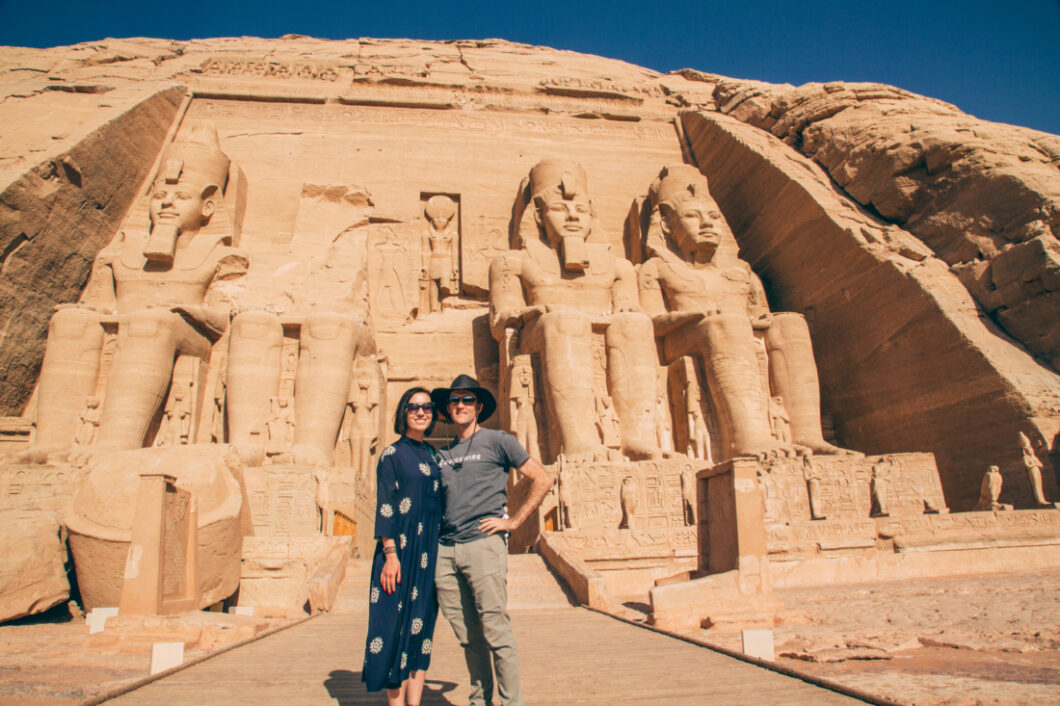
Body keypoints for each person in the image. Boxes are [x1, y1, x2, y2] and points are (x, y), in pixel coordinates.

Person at [429, 374, 553, 706]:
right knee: (469, 638)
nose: (459, 405)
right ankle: (479, 701)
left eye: (466, 399)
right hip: (446, 550)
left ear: (479, 406)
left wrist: (513, 521)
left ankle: (511, 703)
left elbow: (542, 478)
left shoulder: (498, 441)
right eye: (454, 401)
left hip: (483, 545)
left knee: (496, 631)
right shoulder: (442, 455)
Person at [362, 387, 442, 706]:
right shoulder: (391, 455)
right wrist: (390, 554)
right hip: (399, 550)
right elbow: (386, 505)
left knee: (421, 630)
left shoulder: (433, 456)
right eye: (413, 407)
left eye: (426, 407)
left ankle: (414, 702)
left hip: (428, 553)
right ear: (403, 413)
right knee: (393, 628)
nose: (421, 412)